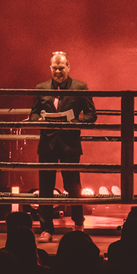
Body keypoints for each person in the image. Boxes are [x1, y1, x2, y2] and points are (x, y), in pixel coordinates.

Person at [29, 51, 97, 243]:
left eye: (61, 67)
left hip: (70, 143)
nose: (58, 71)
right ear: (50, 68)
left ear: (69, 67)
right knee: (45, 187)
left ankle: (78, 225)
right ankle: (46, 229)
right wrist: (40, 119)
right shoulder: (41, 88)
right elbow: (33, 114)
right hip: (47, 144)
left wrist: (76, 122)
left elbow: (92, 115)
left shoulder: (80, 87)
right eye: (55, 68)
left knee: (73, 186)